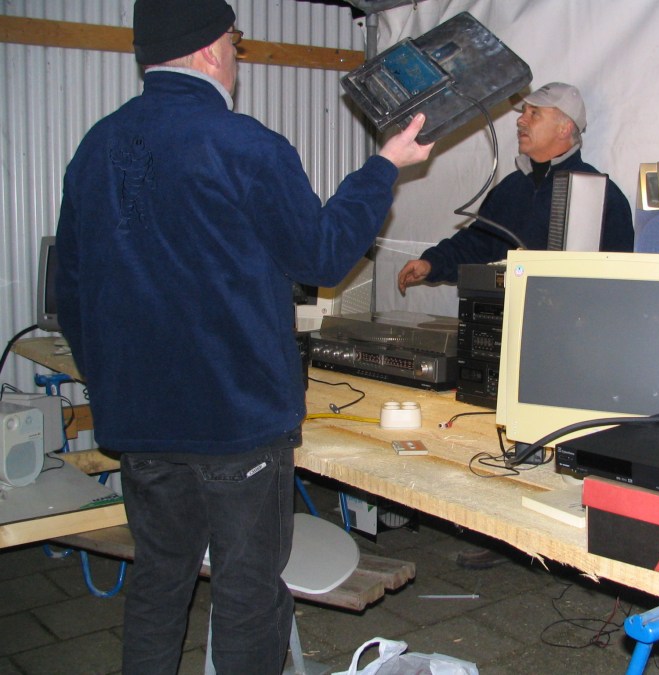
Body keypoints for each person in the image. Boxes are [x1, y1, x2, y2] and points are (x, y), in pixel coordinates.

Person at [54, 1, 433, 673]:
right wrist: (383, 166)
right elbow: (321, 256)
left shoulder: (95, 148)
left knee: (159, 579)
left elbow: (73, 292)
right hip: (238, 422)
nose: (237, 56)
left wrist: (115, 390)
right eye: (235, 42)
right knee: (247, 591)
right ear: (209, 49)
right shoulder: (244, 144)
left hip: (141, 424)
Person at [397, 82, 633, 294]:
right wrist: (431, 264)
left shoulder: (601, 195)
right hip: (506, 321)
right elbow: (477, 245)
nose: (521, 120)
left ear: (564, 128)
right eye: (523, 112)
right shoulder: (510, 188)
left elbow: (619, 280)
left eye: (534, 113)